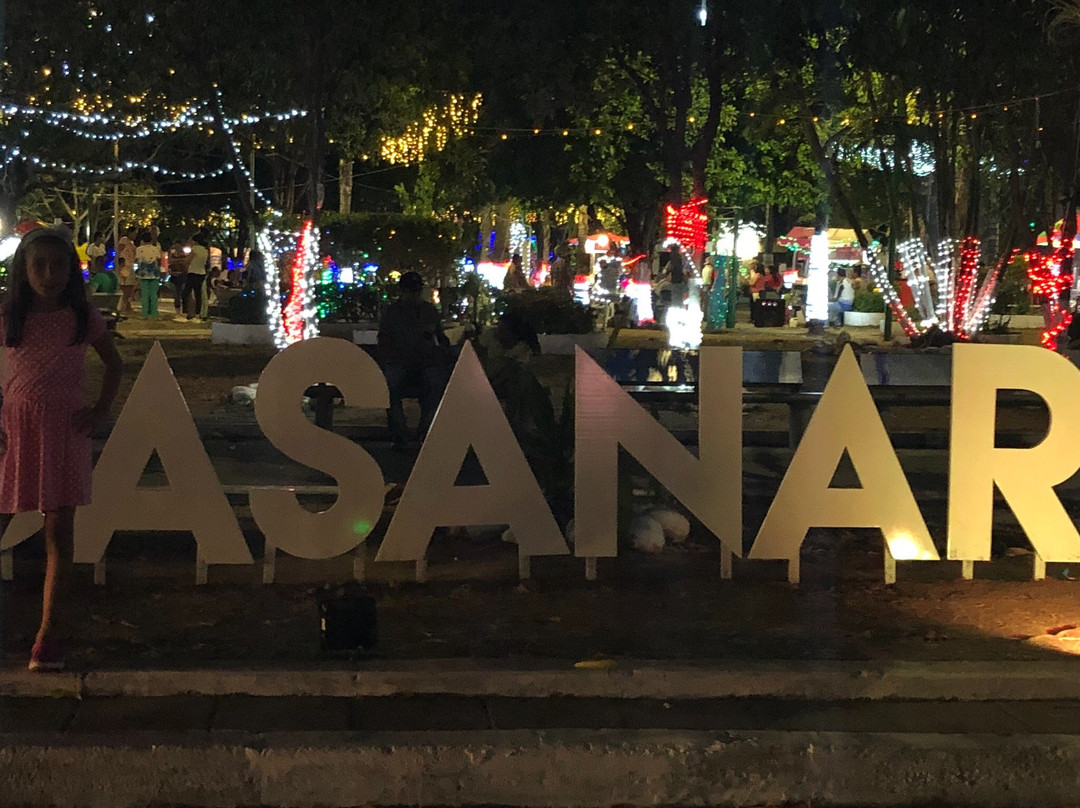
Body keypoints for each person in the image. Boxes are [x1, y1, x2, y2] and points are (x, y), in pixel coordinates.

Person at [0, 227, 122, 671]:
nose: (49, 274)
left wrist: (100, 409)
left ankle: (47, 635)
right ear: (23, 270)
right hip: (14, 435)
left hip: (64, 435)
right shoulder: (10, 315)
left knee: (58, 536)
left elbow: (114, 364)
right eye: (39, 265)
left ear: (71, 270)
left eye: (58, 265)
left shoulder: (81, 318)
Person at [377, 271, 451, 450]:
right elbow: (384, 340)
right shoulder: (393, 312)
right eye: (410, 291)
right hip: (400, 362)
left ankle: (425, 432)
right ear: (402, 291)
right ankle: (399, 433)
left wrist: (441, 346)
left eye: (416, 291)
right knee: (389, 387)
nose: (413, 295)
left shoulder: (428, 310)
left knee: (435, 384)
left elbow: (441, 338)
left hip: (425, 362)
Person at [133, 230, 163, 318]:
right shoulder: (156, 249)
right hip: (154, 273)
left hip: (143, 273)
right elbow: (159, 261)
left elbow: (136, 260)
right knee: (153, 294)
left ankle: (144, 313)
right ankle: (154, 313)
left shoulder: (139, 249)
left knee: (144, 294)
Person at [181, 231, 209, 322]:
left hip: (193, 272)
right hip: (201, 273)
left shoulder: (195, 249)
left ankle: (187, 312)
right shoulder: (205, 250)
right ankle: (198, 314)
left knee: (186, 292)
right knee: (198, 294)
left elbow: (187, 261)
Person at [115, 229, 137, 314]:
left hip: (130, 265)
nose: (135, 236)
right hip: (124, 265)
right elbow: (119, 251)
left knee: (130, 285)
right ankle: (124, 304)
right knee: (125, 285)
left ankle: (127, 303)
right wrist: (118, 263)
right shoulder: (124, 240)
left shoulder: (132, 243)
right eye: (134, 233)